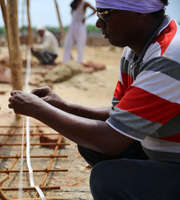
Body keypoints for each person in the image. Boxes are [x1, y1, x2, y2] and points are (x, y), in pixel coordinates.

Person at [9, 0, 180, 199]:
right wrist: (64, 106)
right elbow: (119, 115)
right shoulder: (134, 51)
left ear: (140, 13)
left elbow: (112, 140)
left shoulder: (168, 56)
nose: (99, 23)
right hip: (162, 154)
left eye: (106, 14)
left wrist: (39, 110)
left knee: (106, 178)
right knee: (90, 143)